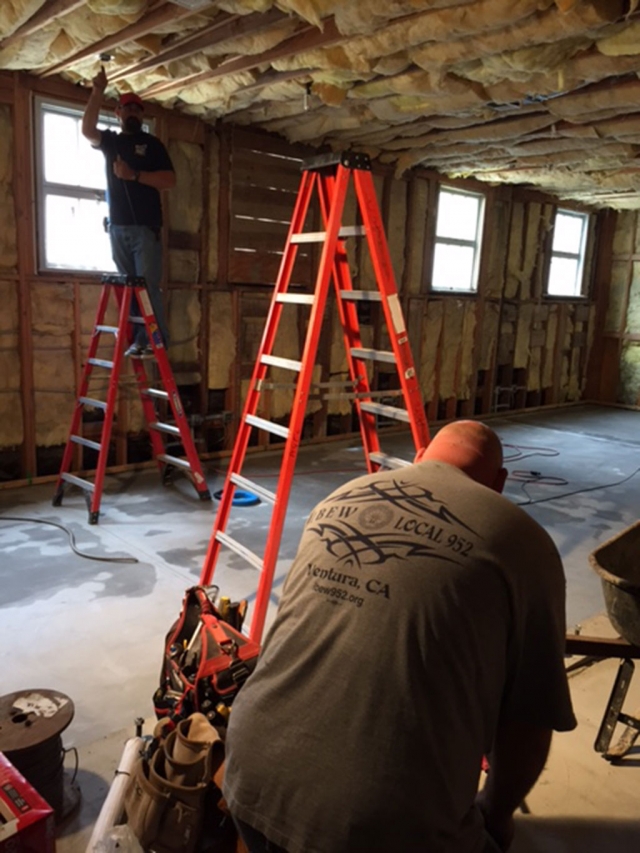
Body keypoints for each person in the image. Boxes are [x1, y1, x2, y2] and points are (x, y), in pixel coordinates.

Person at [222, 420, 576, 853]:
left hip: (244, 776)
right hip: (380, 827)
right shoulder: (525, 542)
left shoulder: (337, 498)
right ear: (498, 483)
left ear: (420, 456)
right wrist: (496, 817)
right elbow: (530, 721)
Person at [82, 67, 176, 357]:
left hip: (145, 229)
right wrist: (97, 91)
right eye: (128, 108)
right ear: (118, 112)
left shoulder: (152, 145)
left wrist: (132, 175)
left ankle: (156, 340)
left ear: (142, 116)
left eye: (138, 109)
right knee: (130, 290)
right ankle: (140, 339)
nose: (133, 113)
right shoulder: (111, 141)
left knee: (147, 287)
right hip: (118, 229)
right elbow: (87, 130)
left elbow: (169, 181)